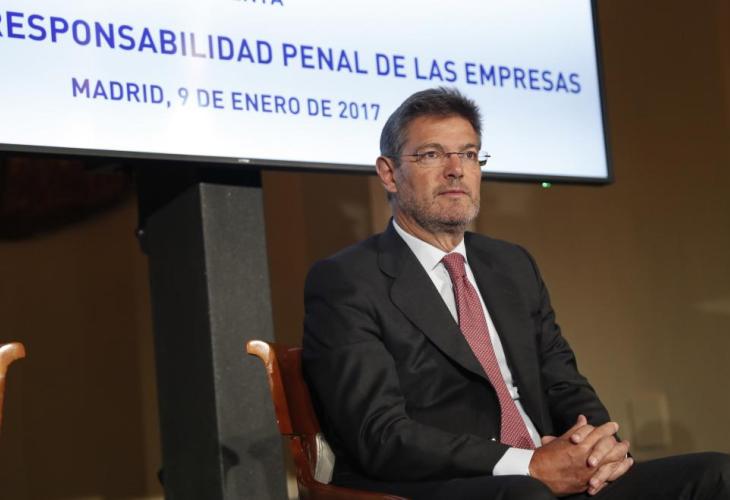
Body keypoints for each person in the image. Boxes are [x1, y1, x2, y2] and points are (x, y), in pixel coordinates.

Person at [302, 87, 730, 499]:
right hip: (452, 483)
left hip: (550, 473)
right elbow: (378, 433)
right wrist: (527, 465)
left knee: (716, 474)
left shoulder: (511, 265)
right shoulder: (347, 280)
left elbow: (563, 383)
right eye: (432, 154)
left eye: (469, 154)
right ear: (389, 173)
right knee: (526, 494)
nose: (456, 169)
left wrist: (601, 450)